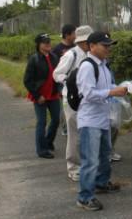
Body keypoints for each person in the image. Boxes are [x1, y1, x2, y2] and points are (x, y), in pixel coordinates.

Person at [76, 31, 128, 211]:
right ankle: (84, 198)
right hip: (89, 120)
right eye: (105, 45)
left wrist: (120, 88)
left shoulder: (104, 65)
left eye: (109, 45)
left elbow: (107, 87)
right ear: (92, 46)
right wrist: (112, 92)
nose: (108, 48)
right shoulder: (88, 67)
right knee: (90, 161)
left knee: (105, 155)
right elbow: (88, 94)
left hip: (103, 119)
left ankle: (101, 183)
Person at [53, 25, 93, 182]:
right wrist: (70, 81)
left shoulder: (90, 55)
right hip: (71, 100)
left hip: (86, 100)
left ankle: (86, 164)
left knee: (86, 133)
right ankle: (73, 167)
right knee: (74, 134)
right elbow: (56, 73)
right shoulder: (71, 55)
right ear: (83, 41)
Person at [23, 33, 61, 159]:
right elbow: (27, 80)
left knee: (56, 119)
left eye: (49, 41)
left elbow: (58, 75)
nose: (48, 44)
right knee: (42, 122)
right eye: (45, 42)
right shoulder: (34, 59)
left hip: (53, 95)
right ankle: (42, 150)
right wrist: (37, 95)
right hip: (40, 97)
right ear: (39, 45)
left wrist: (59, 90)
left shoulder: (54, 57)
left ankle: (48, 142)